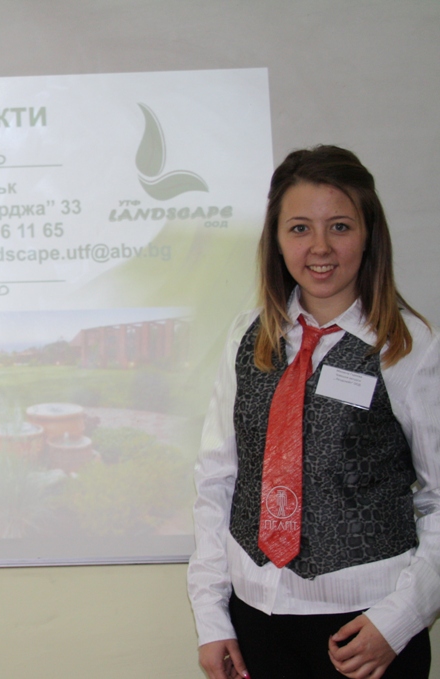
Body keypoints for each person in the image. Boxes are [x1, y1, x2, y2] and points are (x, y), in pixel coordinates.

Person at [188, 145, 440, 679]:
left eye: (340, 227)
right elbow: (217, 480)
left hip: (367, 630)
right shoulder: (247, 335)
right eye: (300, 228)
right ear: (277, 240)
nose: (320, 247)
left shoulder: (409, 346)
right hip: (255, 620)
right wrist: (212, 617)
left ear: (369, 235)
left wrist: (400, 619)